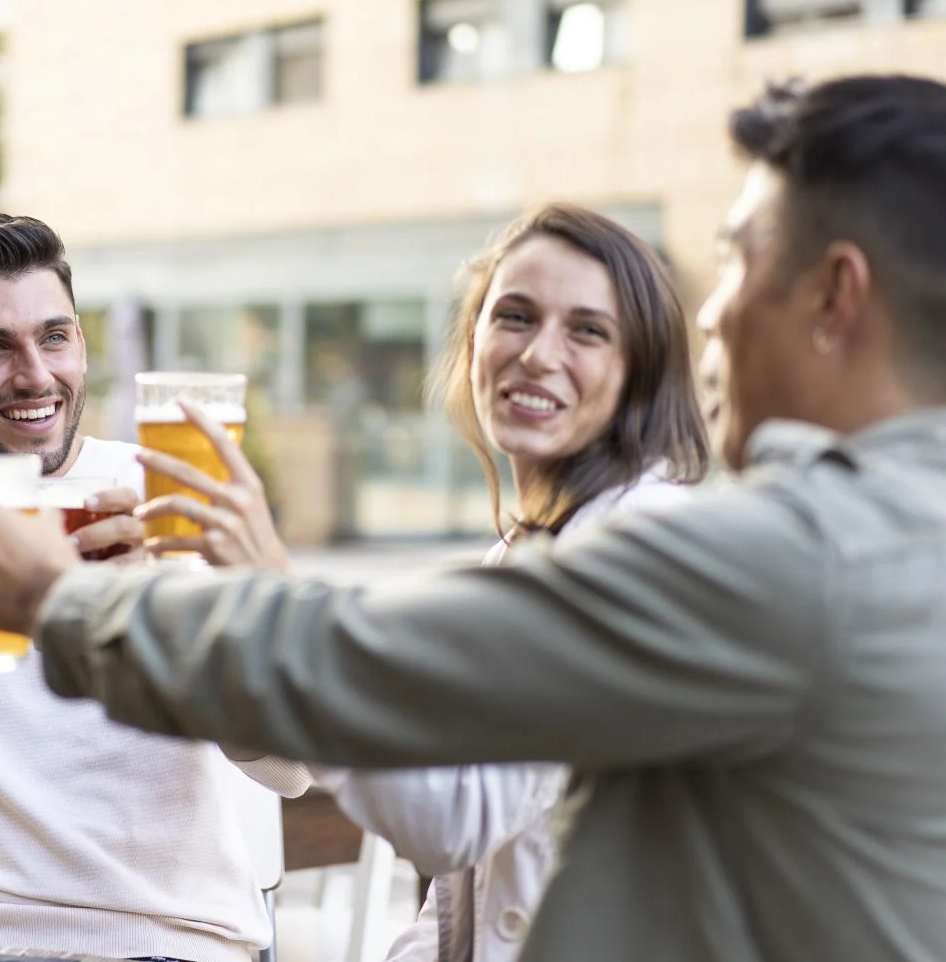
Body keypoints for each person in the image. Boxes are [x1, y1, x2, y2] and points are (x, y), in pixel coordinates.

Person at [0, 74, 946, 962]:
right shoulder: (865, 534)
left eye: (739, 261)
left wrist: (59, 595)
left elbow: (410, 754)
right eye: (514, 315)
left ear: (834, 297)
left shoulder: (775, 551)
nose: (714, 311)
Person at [136, 202, 708, 962]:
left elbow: (450, 823)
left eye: (587, 330)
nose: (539, 353)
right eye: (515, 315)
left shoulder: (643, 548)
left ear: (640, 370)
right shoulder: (527, 554)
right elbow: (457, 906)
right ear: (473, 338)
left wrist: (280, 601)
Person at [0, 211, 309, 961]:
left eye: (53, 337)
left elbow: (290, 769)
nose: (35, 376)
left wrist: (165, 620)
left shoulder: (175, 501)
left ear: (82, 343)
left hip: (165, 941)